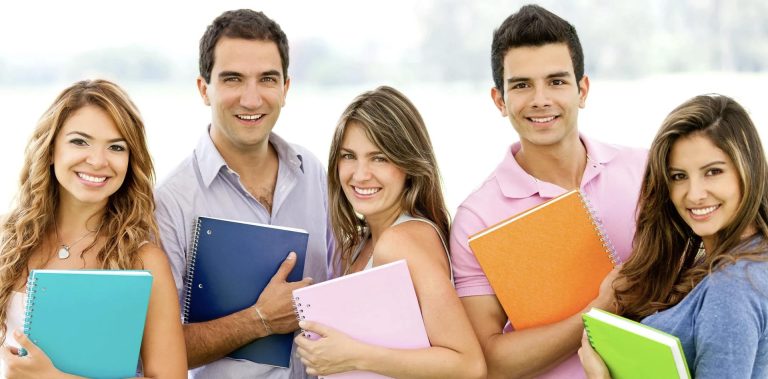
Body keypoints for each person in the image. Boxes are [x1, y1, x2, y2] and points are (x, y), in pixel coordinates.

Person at [449, 4, 648, 378]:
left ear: (582, 89)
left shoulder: (645, 170)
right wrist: (598, 312)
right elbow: (490, 360)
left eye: (556, 81)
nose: (541, 99)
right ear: (499, 100)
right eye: (522, 85)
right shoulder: (477, 217)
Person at [154, 9, 332, 378]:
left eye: (267, 79)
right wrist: (260, 320)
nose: (251, 100)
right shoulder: (170, 202)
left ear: (285, 89)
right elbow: (156, 351)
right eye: (233, 79)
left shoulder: (313, 171)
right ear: (205, 90)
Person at [294, 86, 486, 378]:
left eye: (379, 157)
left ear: (408, 164)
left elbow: (468, 366)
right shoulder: (359, 243)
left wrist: (353, 356)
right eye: (348, 156)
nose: (360, 175)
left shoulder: (401, 242)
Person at [0, 79, 186, 378]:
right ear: (50, 149)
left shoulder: (144, 262)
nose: (98, 161)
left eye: (116, 147)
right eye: (79, 141)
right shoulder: (8, 240)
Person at [578, 94, 768, 378]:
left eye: (713, 172)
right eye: (678, 176)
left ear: (748, 171)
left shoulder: (732, 287)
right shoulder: (745, 259)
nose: (694, 194)